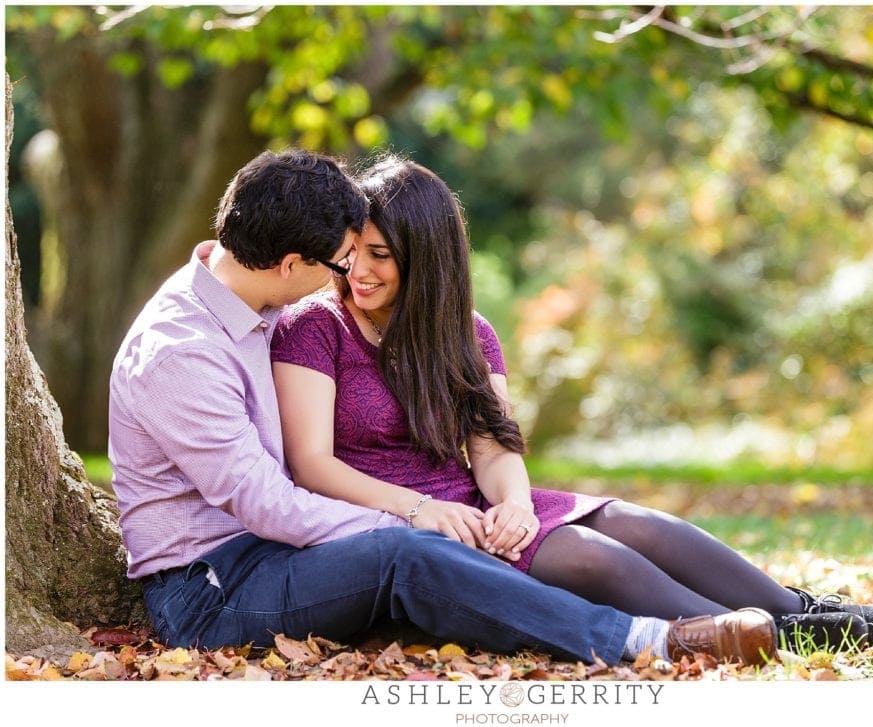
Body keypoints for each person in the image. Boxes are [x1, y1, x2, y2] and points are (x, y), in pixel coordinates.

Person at [108, 147, 781, 668]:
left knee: (453, 544)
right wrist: (414, 513)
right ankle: (654, 639)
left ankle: (789, 614)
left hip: (271, 554)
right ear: (290, 265)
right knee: (406, 553)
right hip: (212, 588)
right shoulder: (182, 352)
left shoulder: (247, 301)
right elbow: (268, 503)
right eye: (338, 261)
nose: (345, 277)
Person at [270, 155, 873, 653]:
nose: (361, 273)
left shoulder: (465, 331)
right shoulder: (315, 329)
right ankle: (761, 634)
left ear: (428, 260)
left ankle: (803, 610)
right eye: (355, 255)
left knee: (635, 522)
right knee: (587, 555)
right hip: (394, 524)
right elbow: (311, 464)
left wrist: (514, 501)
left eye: (383, 257)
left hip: (472, 507)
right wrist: (422, 508)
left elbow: (493, 444)